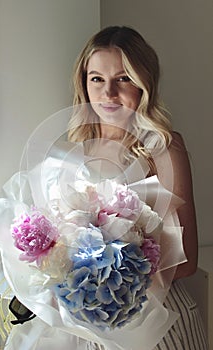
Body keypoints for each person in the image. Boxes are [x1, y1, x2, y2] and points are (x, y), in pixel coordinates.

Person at [67, 26, 208, 349]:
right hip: (94, 327)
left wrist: (113, 265)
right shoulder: (75, 151)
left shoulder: (163, 148)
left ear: (145, 83)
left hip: (160, 324)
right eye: (97, 79)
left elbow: (186, 262)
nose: (108, 93)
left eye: (124, 78)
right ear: (83, 83)